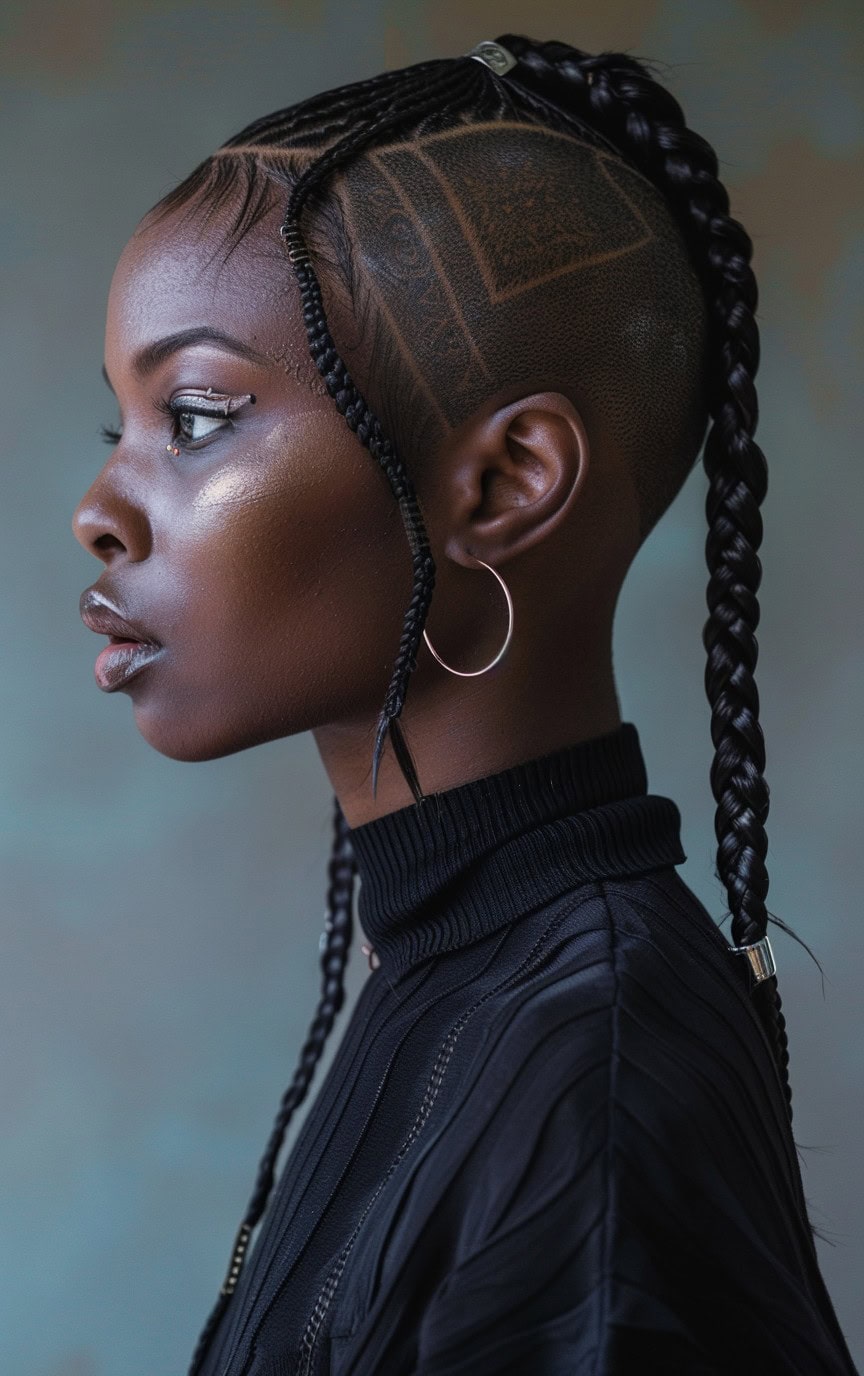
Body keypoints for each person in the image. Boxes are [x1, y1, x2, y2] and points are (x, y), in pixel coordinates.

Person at [71, 34, 858, 1376]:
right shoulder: (475, 968)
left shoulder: (582, 1079)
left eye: (196, 416)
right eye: (118, 430)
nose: (100, 515)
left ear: (503, 486)